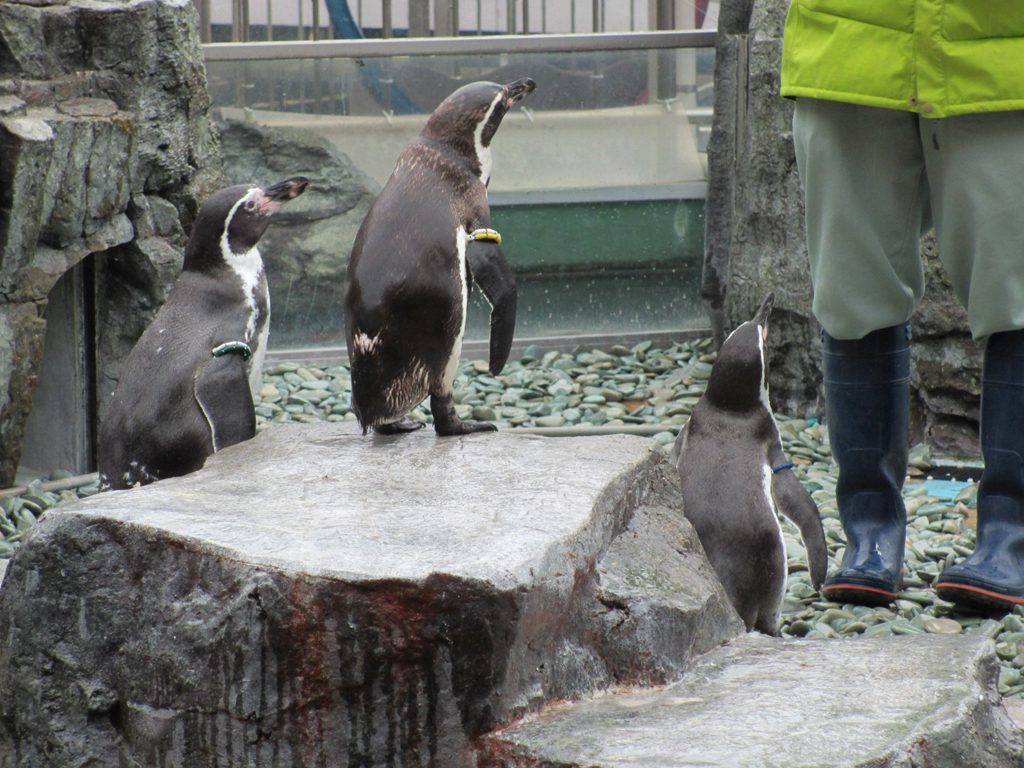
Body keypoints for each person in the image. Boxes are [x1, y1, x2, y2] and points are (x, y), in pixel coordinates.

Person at [780, 2, 1024, 612]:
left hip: (1002, 50)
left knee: (1018, 290)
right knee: (851, 290)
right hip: (849, 42)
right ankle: (869, 534)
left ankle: (1010, 535)